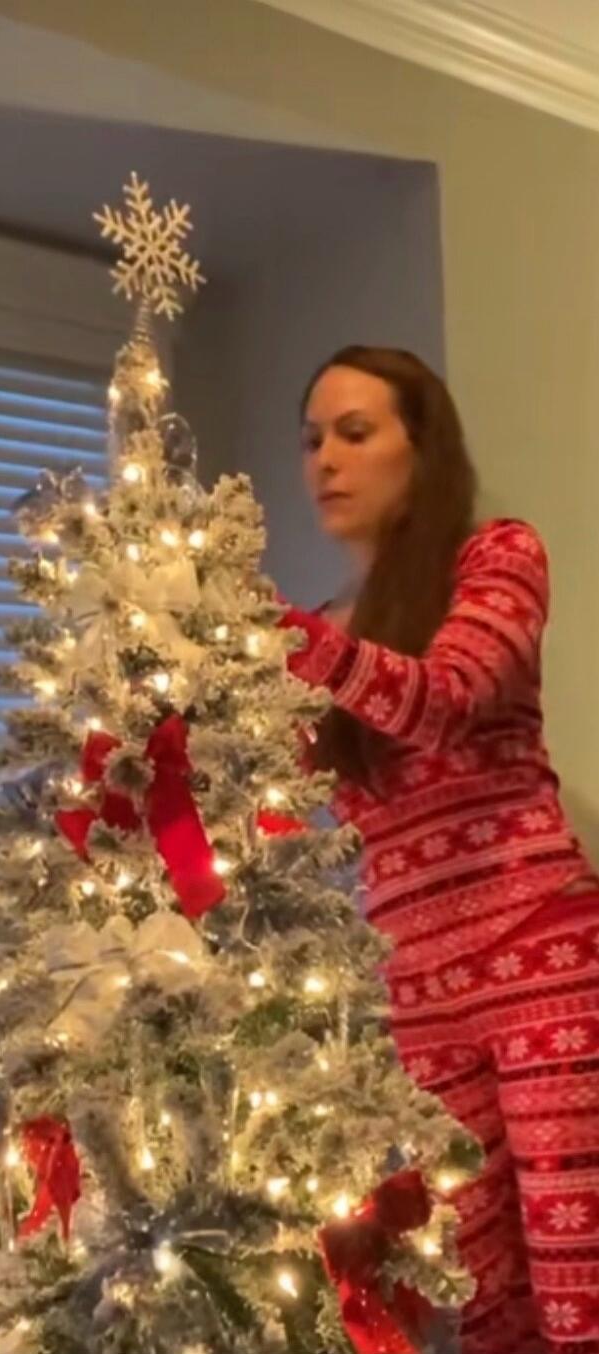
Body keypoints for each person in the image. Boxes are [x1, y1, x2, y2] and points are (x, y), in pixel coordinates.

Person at [278, 346, 599, 1354]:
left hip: (539, 969)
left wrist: (279, 639)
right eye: (312, 438)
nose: (323, 459)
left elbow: (445, 698)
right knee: (488, 1296)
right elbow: (282, 807)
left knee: (576, 1285)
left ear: (423, 450)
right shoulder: (328, 633)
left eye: (354, 431)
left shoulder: (495, 557)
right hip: (418, 1001)